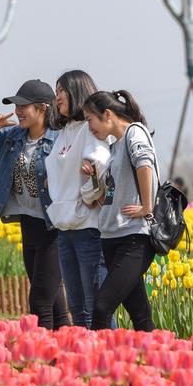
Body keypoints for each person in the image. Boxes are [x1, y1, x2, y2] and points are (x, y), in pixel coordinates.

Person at [0, 79, 70, 330]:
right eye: (17, 106)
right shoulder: (12, 136)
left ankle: (43, 350)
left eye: (24, 106)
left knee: (39, 301)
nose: (18, 111)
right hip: (28, 222)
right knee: (54, 300)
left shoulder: (60, 139)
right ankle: (67, 346)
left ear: (42, 108)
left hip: (53, 226)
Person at [83, 90, 157, 332]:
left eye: (90, 120)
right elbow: (108, 198)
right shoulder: (115, 146)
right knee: (139, 314)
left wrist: (147, 206)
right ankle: (156, 353)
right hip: (111, 236)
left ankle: (100, 356)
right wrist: (95, 179)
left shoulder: (135, 132)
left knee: (102, 308)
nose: (89, 127)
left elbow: (145, 165)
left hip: (133, 238)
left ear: (107, 114)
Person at [44, 70, 111, 328]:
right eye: (56, 91)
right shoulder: (64, 132)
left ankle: (109, 350)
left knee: (95, 308)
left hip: (88, 228)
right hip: (65, 228)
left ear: (77, 91)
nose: (57, 97)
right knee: (77, 309)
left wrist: (90, 192)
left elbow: (100, 165)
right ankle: (82, 352)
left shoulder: (88, 128)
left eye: (62, 90)